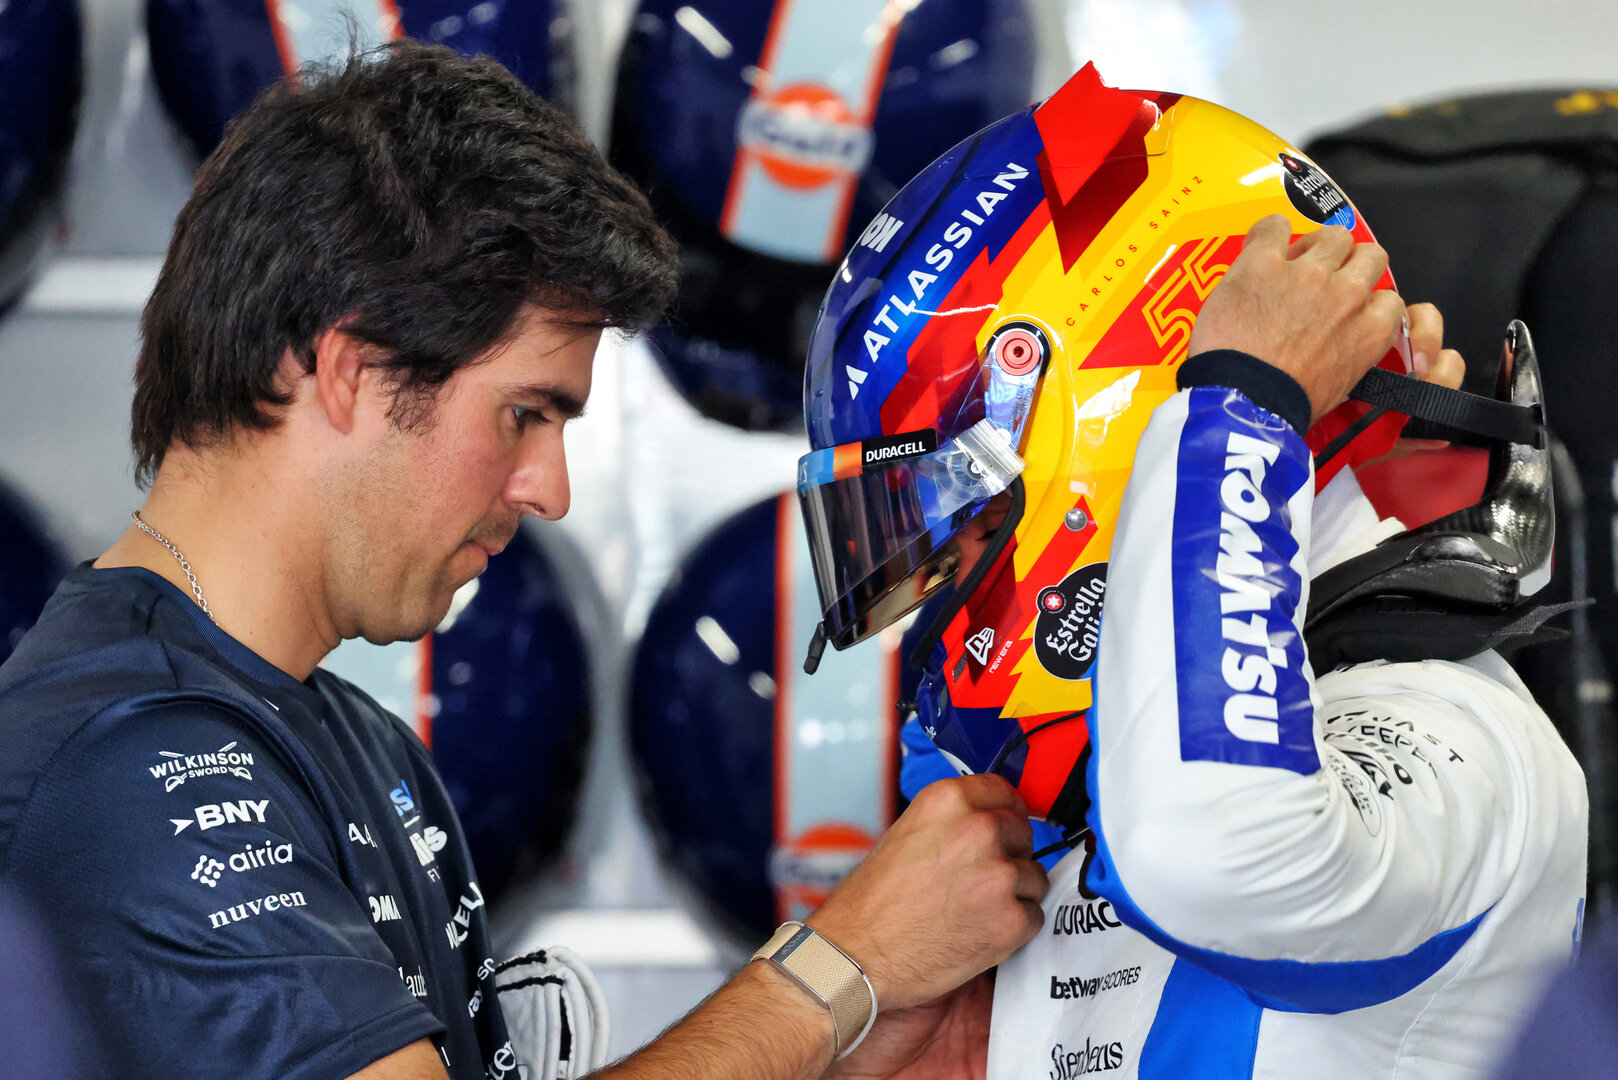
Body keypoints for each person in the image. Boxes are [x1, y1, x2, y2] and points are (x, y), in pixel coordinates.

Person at [0, 42, 1048, 1080]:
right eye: (524, 414)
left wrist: (861, 1055)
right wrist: (839, 970)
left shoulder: (351, 740)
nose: (550, 489)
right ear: (350, 372)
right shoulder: (132, 760)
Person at [794, 65, 1587, 1077]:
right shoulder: (1087, 796)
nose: (941, 584)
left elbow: (1213, 853)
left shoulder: (1460, 735)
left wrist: (1243, 408)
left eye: (953, 524)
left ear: (1116, 428)